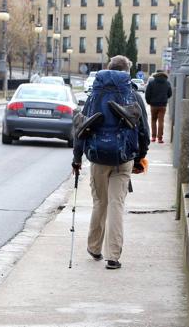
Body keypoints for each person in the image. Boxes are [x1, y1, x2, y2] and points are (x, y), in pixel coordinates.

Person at [72, 55, 150, 270]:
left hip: (97, 157)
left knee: (100, 202)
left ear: (108, 70)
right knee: (117, 204)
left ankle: (94, 247)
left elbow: (81, 129)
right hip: (124, 157)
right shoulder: (132, 95)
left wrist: (77, 159)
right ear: (127, 73)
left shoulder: (94, 96)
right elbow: (144, 131)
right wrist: (139, 157)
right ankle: (113, 256)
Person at [144, 70, 172, 143]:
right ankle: (160, 138)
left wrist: (148, 102)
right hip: (163, 105)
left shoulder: (151, 82)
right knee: (161, 121)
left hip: (153, 105)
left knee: (153, 120)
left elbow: (147, 94)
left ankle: (153, 137)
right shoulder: (167, 83)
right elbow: (170, 94)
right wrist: (165, 98)